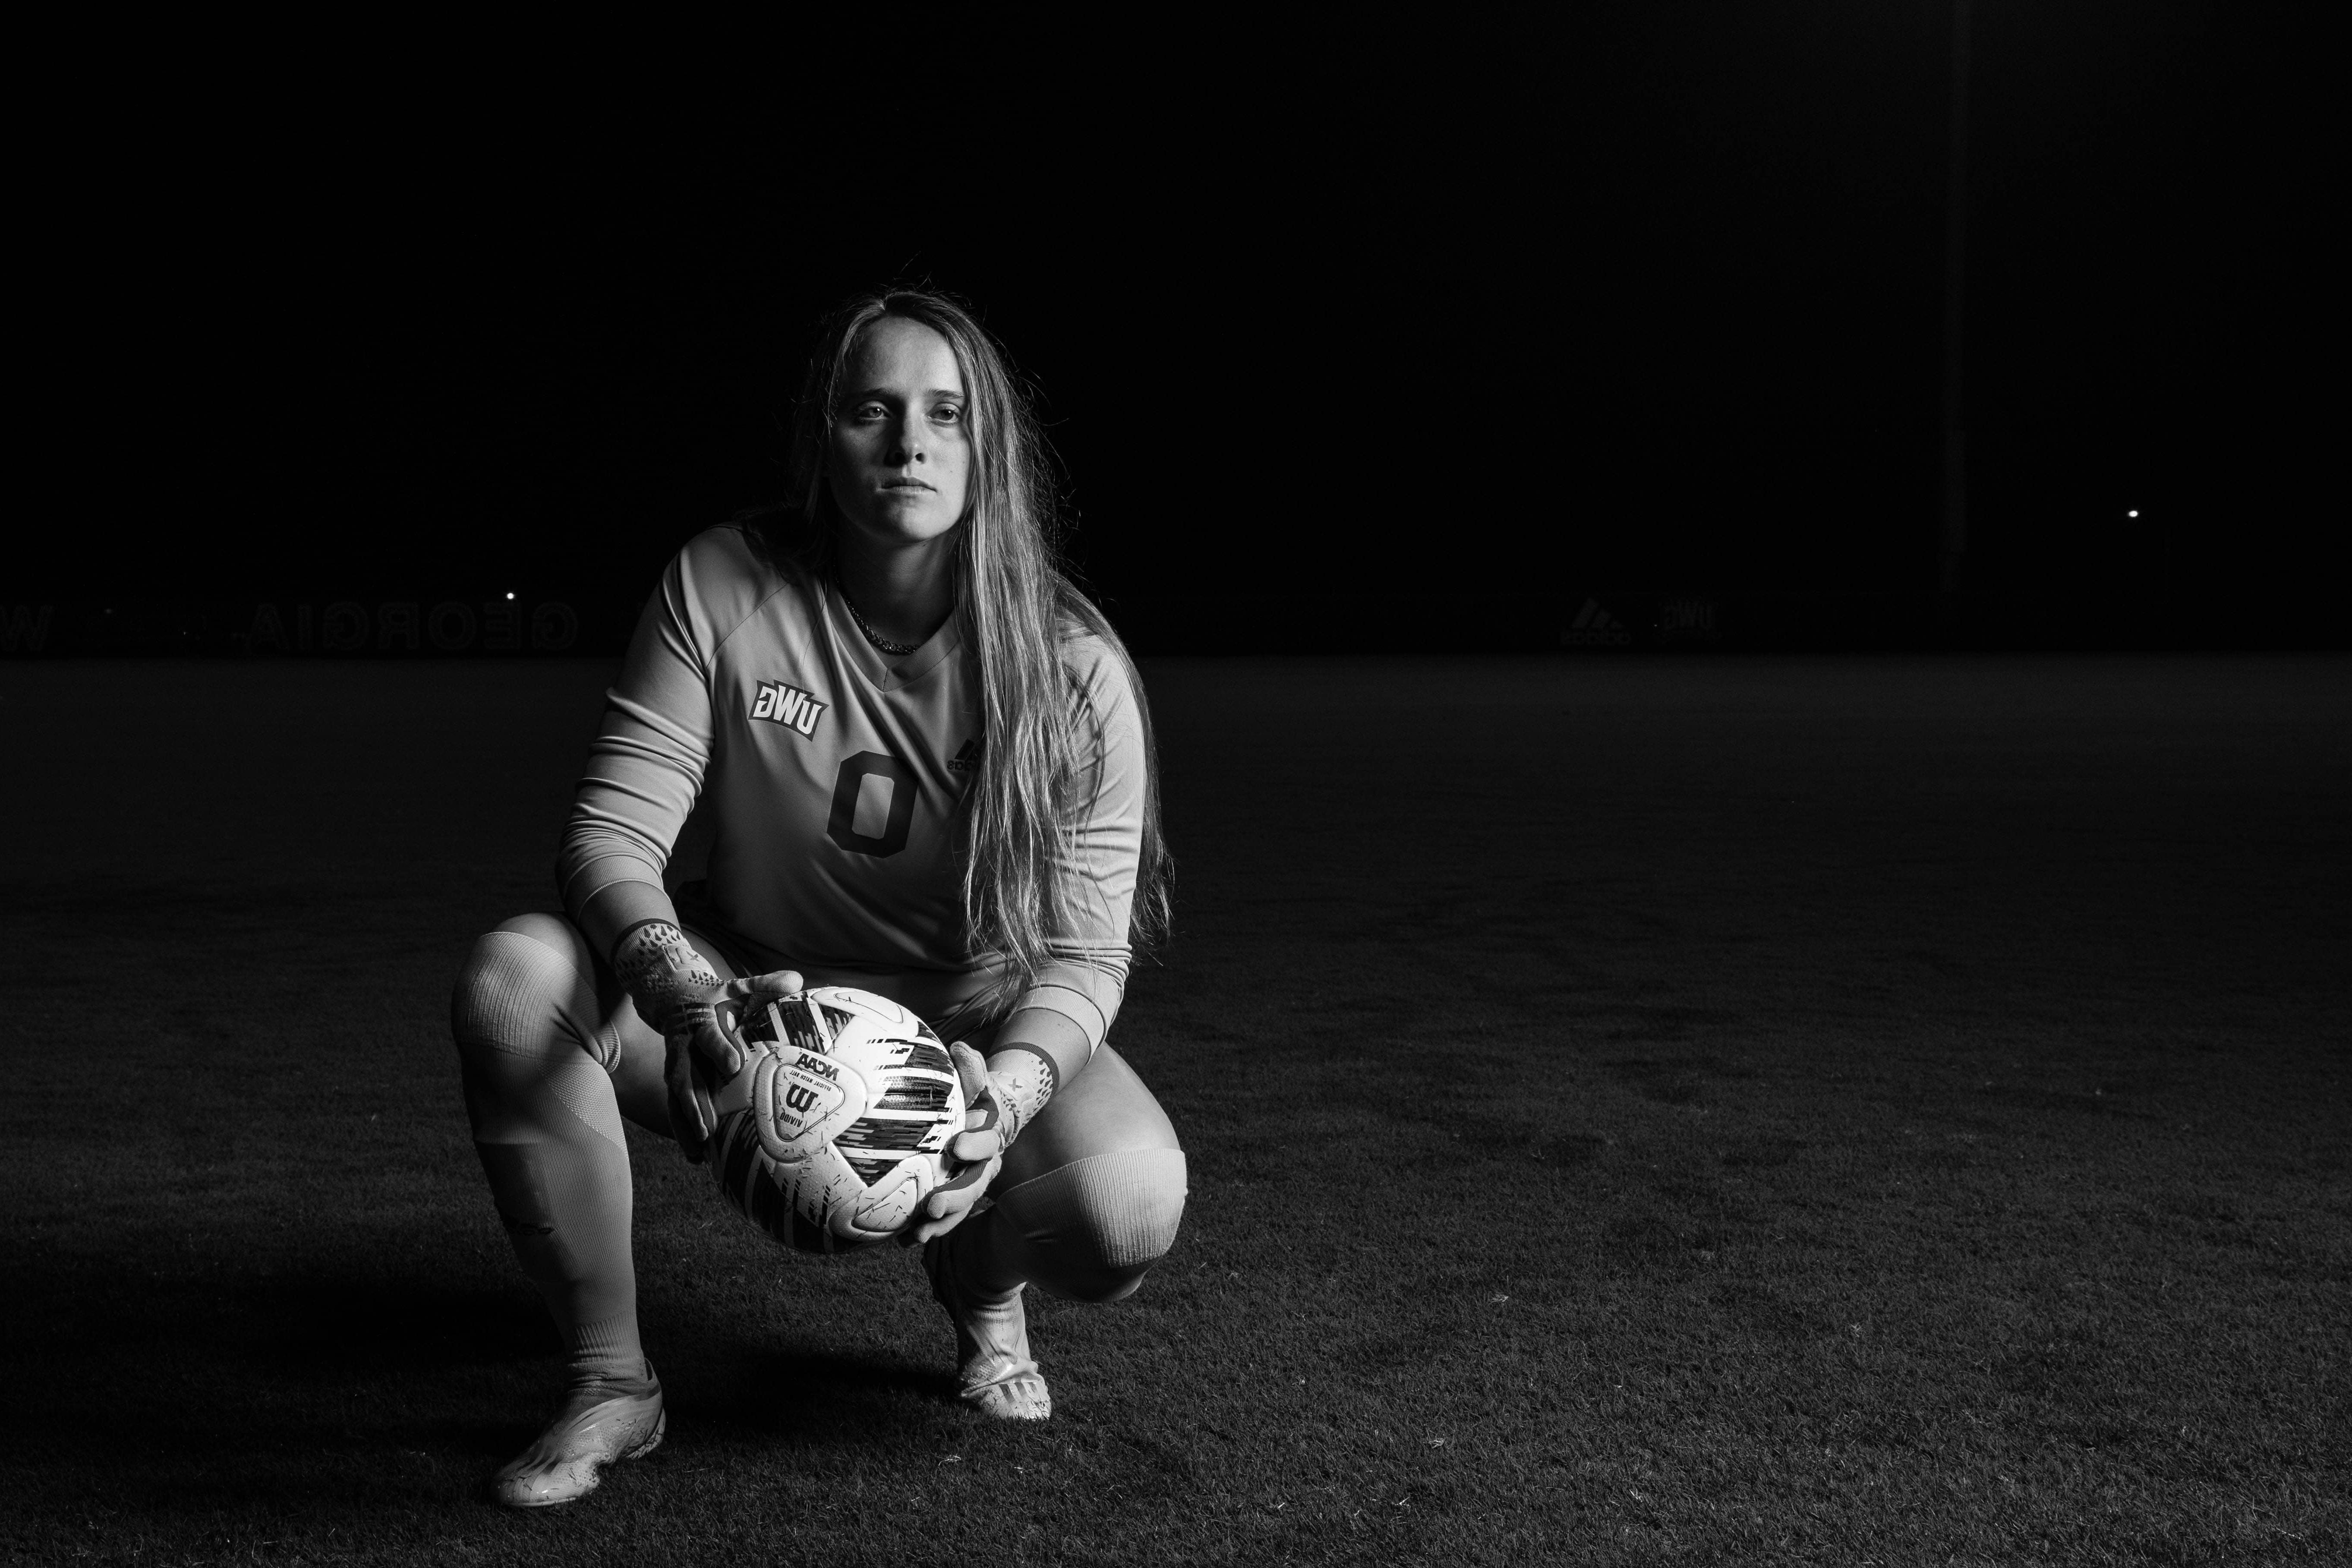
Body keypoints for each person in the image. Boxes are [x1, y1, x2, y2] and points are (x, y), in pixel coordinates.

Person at [448, 289, 1187, 1508]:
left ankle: (978, 1278)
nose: (909, 442)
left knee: (1121, 1211)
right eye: (872, 410)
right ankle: (611, 1379)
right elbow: (609, 837)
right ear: (823, 436)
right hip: (747, 1001)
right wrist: (683, 984)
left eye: (946, 414)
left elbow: (1082, 952)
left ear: (985, 445)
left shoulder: (1070, 663)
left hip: (971, 1028)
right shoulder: (725, 580)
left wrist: (1002, 1097)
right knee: (515, 983)